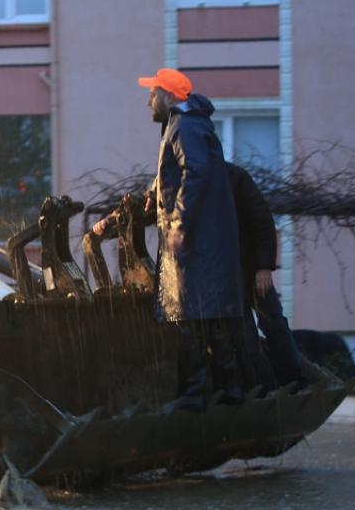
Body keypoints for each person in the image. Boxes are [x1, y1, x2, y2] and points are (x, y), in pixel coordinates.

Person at [94, 68, 245, 411]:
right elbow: (179, 173)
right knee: (207, 319)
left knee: (189, 319)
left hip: (195, 245)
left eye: (153, 94)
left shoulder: (184, 127)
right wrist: (153, 196)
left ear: (168, 96)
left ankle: (193, 398)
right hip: (205, 244)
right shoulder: (189, 125)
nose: (149, 101)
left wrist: (178, 223)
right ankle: (230, 393)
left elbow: (196, 171)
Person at [225, 161, 306, 390]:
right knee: (246, 338)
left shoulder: (235, 177)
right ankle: (266, 388)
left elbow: (262, 221)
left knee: (274, 325)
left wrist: (263, 268)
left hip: (250, 271)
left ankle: (293, 381)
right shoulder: (196, 179)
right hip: (228, 280)